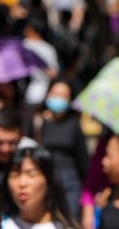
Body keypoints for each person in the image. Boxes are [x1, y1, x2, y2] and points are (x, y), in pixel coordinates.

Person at [32, 79, 88, 216]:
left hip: (69, 182)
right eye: (56, 94)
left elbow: (83, 158)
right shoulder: (37, 122)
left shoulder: (73, 124)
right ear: (47, 94)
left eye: (64, 96)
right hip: (44, 178)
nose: (59, 99)